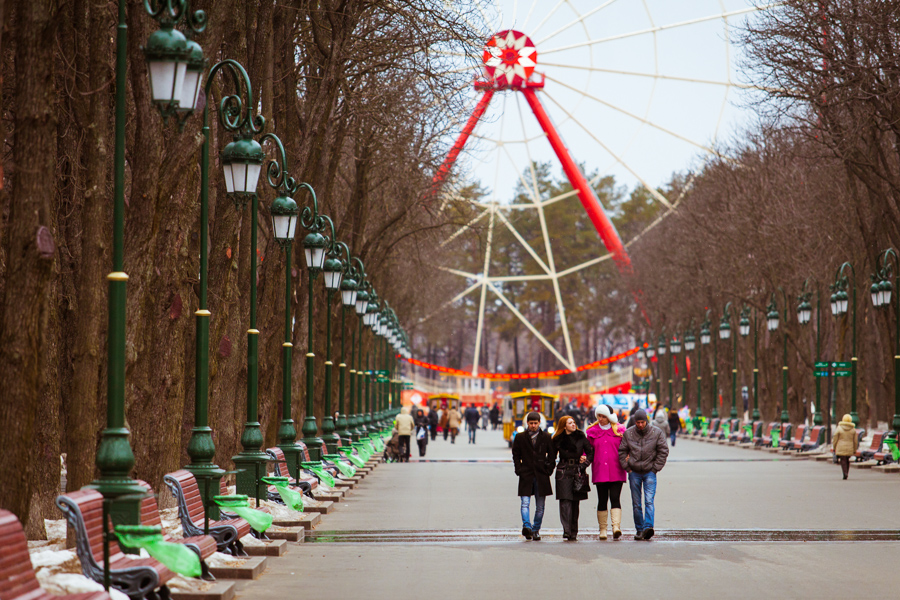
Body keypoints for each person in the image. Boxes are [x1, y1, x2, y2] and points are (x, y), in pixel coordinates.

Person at [619, 408, 668, 540]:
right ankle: (639, 529)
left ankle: (648, 527)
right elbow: (622, 451)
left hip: (649, 472)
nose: (640, 425)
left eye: (642, 422)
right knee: (636, 503)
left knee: (649, 501)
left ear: (646, 421)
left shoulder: (656, 432)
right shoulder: (629, 433)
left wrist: (655, 468)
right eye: (638, 422)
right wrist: (627, 468)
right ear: (635, 422)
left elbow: (663, 450)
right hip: (634, 472)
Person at [550, 415, 594, 541]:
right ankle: (567, 530)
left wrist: (584, 464)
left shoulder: (581, 436)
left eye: (573, 422)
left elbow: (590, 452)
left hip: (577, 471)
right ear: (564, 426)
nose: (573, 424)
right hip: (563, 470)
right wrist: (547, 470)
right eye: (570, 423)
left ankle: (574, 531)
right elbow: (552, 457)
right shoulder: (557, 439)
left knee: (575, 502)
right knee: (565, 501)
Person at [586, 404, 626, 540]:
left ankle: (616, 527)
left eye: (604, 416)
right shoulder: (592, 432)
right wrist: (583, 457)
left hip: (616, 470)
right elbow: (587, 450)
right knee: (602, 499)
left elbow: (626, 448)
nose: (601, 419)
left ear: (609, 417)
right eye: (599, 416)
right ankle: (603, 529)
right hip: (600, 470)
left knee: (615, 498)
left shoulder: (620, 430)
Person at [511, 412, 553, 541]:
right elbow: (515, 454)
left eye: (535, 423)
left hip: (541, 475)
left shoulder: (546, 437)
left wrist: (548, 470)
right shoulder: (520, 437)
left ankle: (535, 530)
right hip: (526, 473)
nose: (533, 425)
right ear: (527, 423)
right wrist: (519, 469)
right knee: (525, 503)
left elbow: (552, 455)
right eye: (531, 423)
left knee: (540, 507)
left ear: (539, 423)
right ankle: (527, 526)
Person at [832, 414, 859, 480]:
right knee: (847, 460)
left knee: (843, 460)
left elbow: (835, 438)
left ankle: (845, 473)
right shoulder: (853, 429)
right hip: (850, 447)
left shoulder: (839, 428)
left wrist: (834, 447)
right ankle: (846, 472)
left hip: (841, 447)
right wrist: (855, 449)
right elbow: (855, 441)